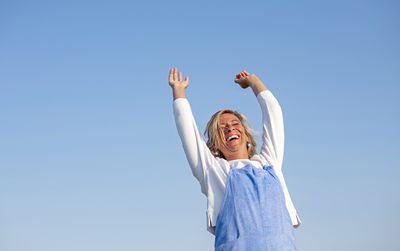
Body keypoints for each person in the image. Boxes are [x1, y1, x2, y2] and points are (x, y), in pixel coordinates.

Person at [169, 67, 301, 251]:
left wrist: (253, 82)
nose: (230, 128)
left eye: (235, 124)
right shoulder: (214, 171)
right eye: (221, 128)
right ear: (214, 145)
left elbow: (274, 114)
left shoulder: (269, 162)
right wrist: (179, 91)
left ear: (247, 136)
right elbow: (188, 133)